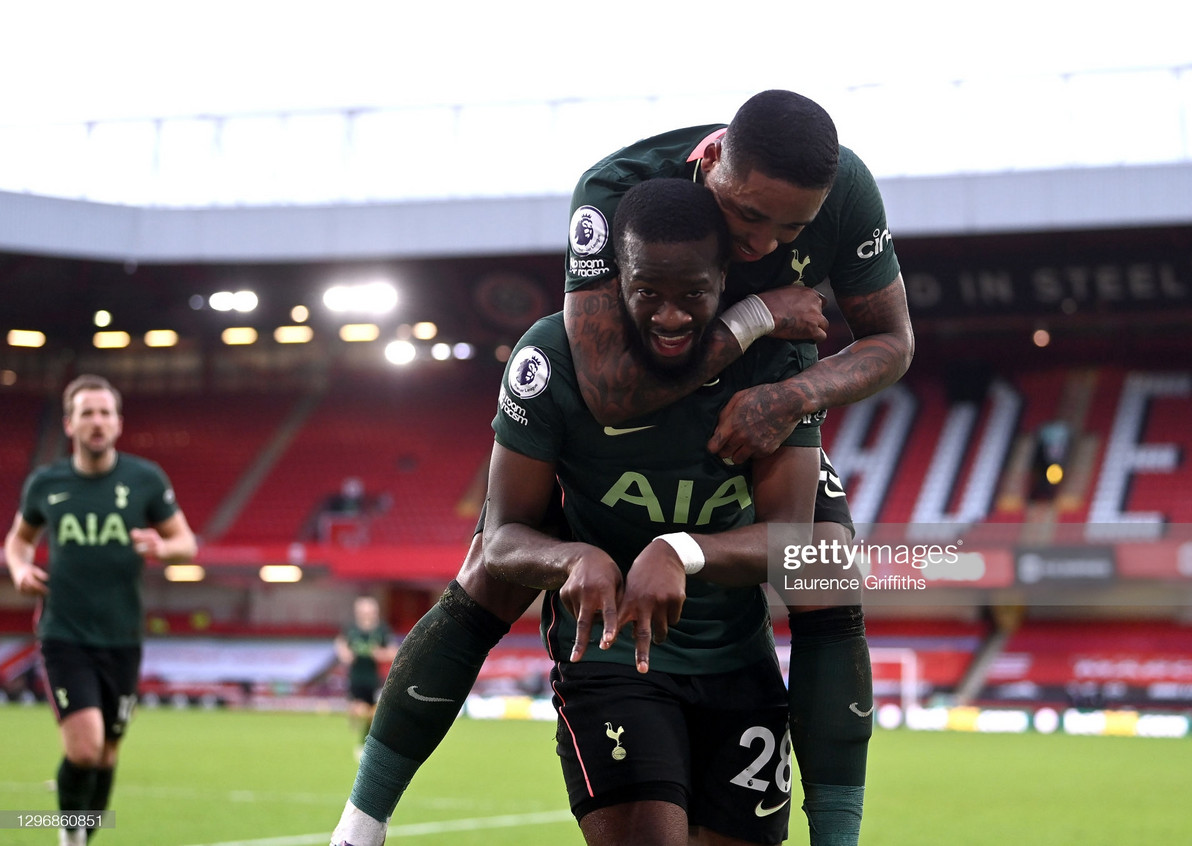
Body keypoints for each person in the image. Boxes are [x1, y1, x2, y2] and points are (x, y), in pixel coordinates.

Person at [331, 89, 911, 846]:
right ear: (708, 166)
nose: (765, 246)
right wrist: (753, 317)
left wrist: (793, 393)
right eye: (747, 218)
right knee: (496, 558)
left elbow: (892, 343)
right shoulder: (612, 193)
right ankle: (360, 825)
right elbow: (608, 388)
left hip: (762, 396)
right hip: (627, 415)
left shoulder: (846, 191)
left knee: (824, 564)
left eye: (792, 229)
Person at [485, 177, 820, 845]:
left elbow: (792, 542)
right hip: (613, 665)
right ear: (616, 281)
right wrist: (571, 557)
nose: (671, 316)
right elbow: (500, 540)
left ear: (726, 277)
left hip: (740, 668)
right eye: (647, 294)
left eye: (694, 293)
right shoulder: (553, 357)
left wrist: (679, 549)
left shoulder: (778, 362)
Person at [4, 374, 198, 846]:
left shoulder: (145, 479)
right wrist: (18, 567)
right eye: (86, 413)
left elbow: (186, 544)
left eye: (105, 413)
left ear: (118, 423)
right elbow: (18, 541)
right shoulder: (46, 484)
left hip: (123, 636)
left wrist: (161, 546)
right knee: (86, 748)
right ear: (69, 424)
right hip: (63, 632)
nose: (97, 421)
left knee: (108, 754)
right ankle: (67, 840)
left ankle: (87, 837)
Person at [334, 596, 397, 754]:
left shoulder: (382, 630)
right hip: (356, 678)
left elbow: (393, 651)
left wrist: (380, 654)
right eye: (364, 611)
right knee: (362, 711)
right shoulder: (351, 629)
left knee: (373, 714)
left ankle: (364, 742)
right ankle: (357, 722)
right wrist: (345, 654)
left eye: (370, 611)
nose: (367, 614)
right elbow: (340, 644)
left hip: (374, 679)